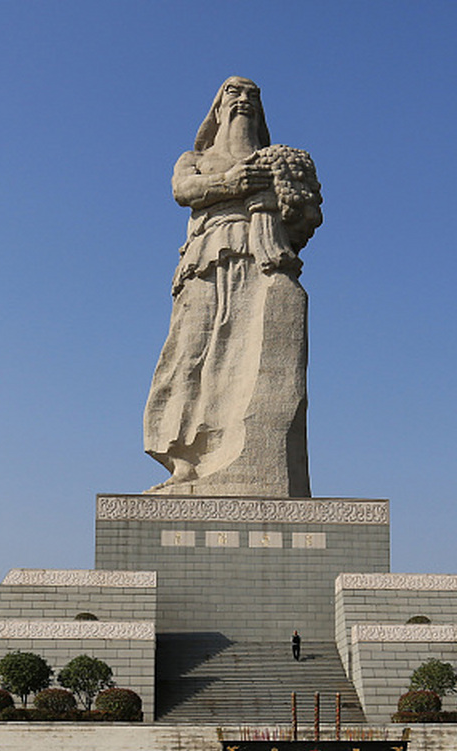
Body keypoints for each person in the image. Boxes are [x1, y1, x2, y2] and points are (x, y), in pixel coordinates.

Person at [144, 77, 322, 496]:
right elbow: (183, 190)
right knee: (193, 356)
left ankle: (256, 463)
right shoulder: (195, 158)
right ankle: (187, 464)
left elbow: (305, 216)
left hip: (260, 254)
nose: (243, 100)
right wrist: (232, 184)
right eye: (234, 93)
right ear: (218, 107)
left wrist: (280, 200)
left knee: (251, 355)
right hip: (205, 260)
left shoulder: (274, 160)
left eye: (252, 95)